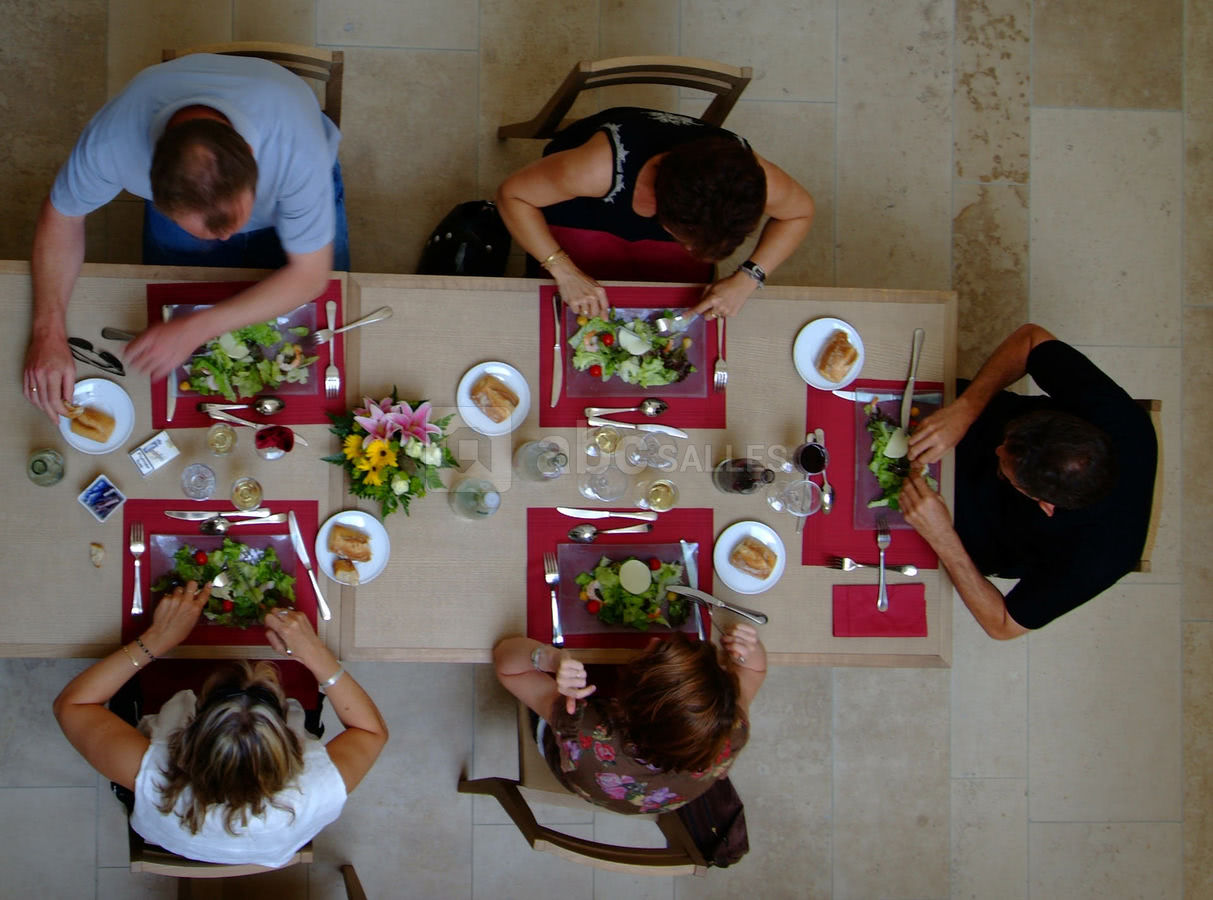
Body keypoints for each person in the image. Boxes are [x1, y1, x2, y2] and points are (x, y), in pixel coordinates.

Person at [24, 52, 350, 422]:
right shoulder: (112, 142)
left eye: (235, 221)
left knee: (330, 316)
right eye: (209, 231)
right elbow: (61, 217)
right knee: (168, 298)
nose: (226, 241)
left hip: (292, 193)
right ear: (155, 197)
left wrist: (199, 326)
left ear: (250, 153)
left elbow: (309, 275)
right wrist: (47, 331)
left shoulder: (294, 146)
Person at [52, 581, 388, 866]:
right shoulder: (317, 787)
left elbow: (72, 705)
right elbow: (372, 731)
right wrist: (315, 652)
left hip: (173, 832)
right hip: (262, 846)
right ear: (288, 743)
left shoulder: (152, 773)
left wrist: (155, 641)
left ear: (188, 731)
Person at [898, 324, 1157, 639]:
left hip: (959, 528)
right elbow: (1031, 340)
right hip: (956, 417)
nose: (997, 449)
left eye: (1005, 463)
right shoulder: (1119, 419)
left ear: (1045, 506)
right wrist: (966, 411)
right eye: (1007, 442)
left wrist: (942, 538)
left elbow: (1003, 625)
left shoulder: (1101, 558)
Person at [496, 107, 815, 321]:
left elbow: (799, 213)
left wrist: (749, 277)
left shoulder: (749, 175)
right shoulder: (598, 168)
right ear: (658, 203)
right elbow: (512, 195)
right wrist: (563, 270)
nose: (691, 251)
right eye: (687, 241)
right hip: (583, 209)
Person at [493, 626, 765, 815]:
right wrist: (747, 650)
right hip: (657, 795)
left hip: (576, 762)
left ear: (621, 706)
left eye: (652, 654)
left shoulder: (583, 729)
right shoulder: (729, 729)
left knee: (552, 701)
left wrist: (549, 659)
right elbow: (755, 669)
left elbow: (507, 664)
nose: (656, 640)